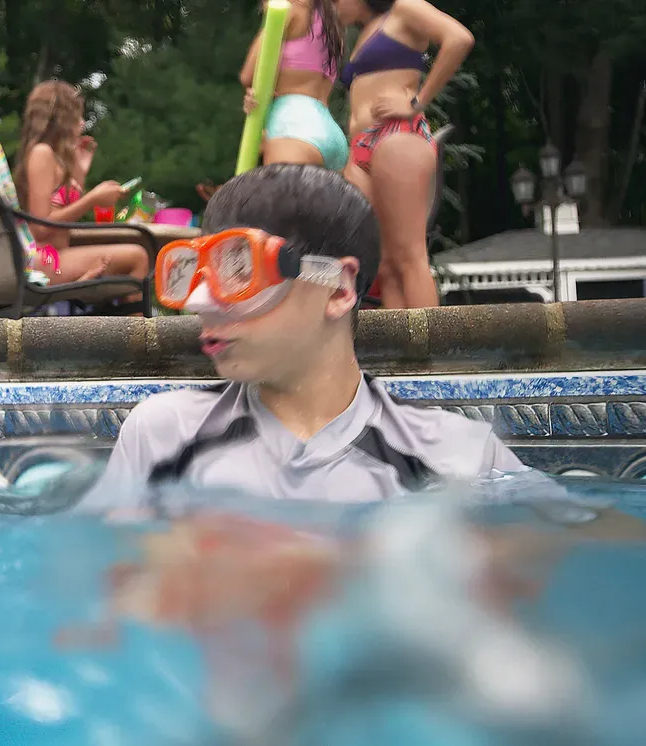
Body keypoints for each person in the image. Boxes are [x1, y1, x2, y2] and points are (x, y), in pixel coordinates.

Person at [78, 164, 525, 511]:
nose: (199, 302)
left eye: (239, 268)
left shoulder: (458, 459)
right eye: (193, 273)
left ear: (337, 289)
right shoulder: (161, 436)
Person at [335, 0, 474, 309]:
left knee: (410, 257)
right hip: (360, 149)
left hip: (397, 135)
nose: (331, 6)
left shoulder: (405, 8)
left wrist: (417, 102)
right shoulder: (363, 32)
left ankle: (430, 341)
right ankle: (400, 341)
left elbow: (459, 38)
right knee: (383, 265)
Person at [14, 80, 151, 289]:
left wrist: (80, 170)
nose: (83, 123)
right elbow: (40, 227)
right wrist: (92, 199)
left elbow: (62, 213)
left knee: (128, 257)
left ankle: (110, 306)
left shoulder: (52, 158)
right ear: (62, 119)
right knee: (138, 256)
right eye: (77, 116)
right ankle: (131, 312)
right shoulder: (42, 153)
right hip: (43, 259)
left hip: (55, 255)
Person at [240, 0, 349, 170]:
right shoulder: (331, 16)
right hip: (331, 132)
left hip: (292, 128)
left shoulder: (287, 9)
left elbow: (249, 75)